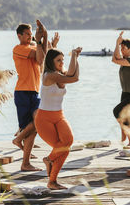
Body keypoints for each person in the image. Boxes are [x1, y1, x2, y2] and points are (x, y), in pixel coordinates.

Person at [34, 46, 81, 190]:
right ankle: (52, 181)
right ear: (51, 61)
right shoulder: (50, 75)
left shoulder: (59, 74)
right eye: (58, 60)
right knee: (62, 149)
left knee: (67, 142)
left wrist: (75, 58)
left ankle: (48, 160)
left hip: (59, 115)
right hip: (44, 118)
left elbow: (73, 75)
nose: (61, 63)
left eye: (63, 60)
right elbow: (74, 77)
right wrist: (73, 55)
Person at [11, 20, 47, 171]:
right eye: (27, 34)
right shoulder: (19, 49)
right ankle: (25, 163)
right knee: (30, 127)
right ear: (19, 35)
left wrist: (45, 35)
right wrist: (39, 41)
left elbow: (44, 56)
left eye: (31, 34)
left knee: (38, 123)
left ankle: (19, 139)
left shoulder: (34, 45)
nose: (30, 36)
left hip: (34, 91)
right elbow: (39, 58)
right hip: (22, 92)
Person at [112, 31, 130, 147]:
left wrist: (116, 43)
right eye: (121, 48)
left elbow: (115, 59)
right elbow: (115, 58)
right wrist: (117, 44)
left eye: (123, 48)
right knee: (124, 115)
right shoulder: (124, 61)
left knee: (117, 111)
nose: (122, 50)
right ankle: (126, 138)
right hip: (125, 93)